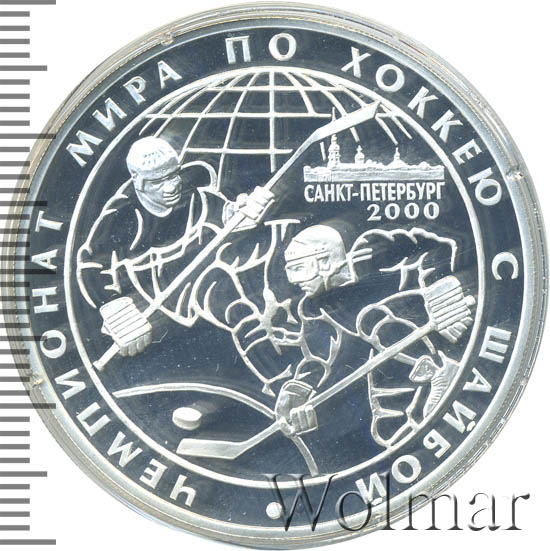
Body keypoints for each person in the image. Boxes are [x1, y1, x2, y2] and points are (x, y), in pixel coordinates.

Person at [271, 224, 474, 448]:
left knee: (370, 318)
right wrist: (299, 389)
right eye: (289, 271)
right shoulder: (314, 307)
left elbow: (445, 252)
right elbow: (319, 358)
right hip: (386, 371)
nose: (293, 281)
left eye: (299, 268)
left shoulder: (379, 260)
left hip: (425, 333)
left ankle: (437, 369)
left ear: (326, 262)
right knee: (390, 433)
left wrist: (453, 285)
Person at [76, 136, 274, 358]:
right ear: (138, 180)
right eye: (158, 181)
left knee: (245, 308)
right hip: (154, 306)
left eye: (174, 175)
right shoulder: (123, 216)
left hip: (202, 285)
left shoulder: (195, 197)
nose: (171, 186)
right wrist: (117, 312)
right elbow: (91, 266)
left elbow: (224, 214)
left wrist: (241, 213)